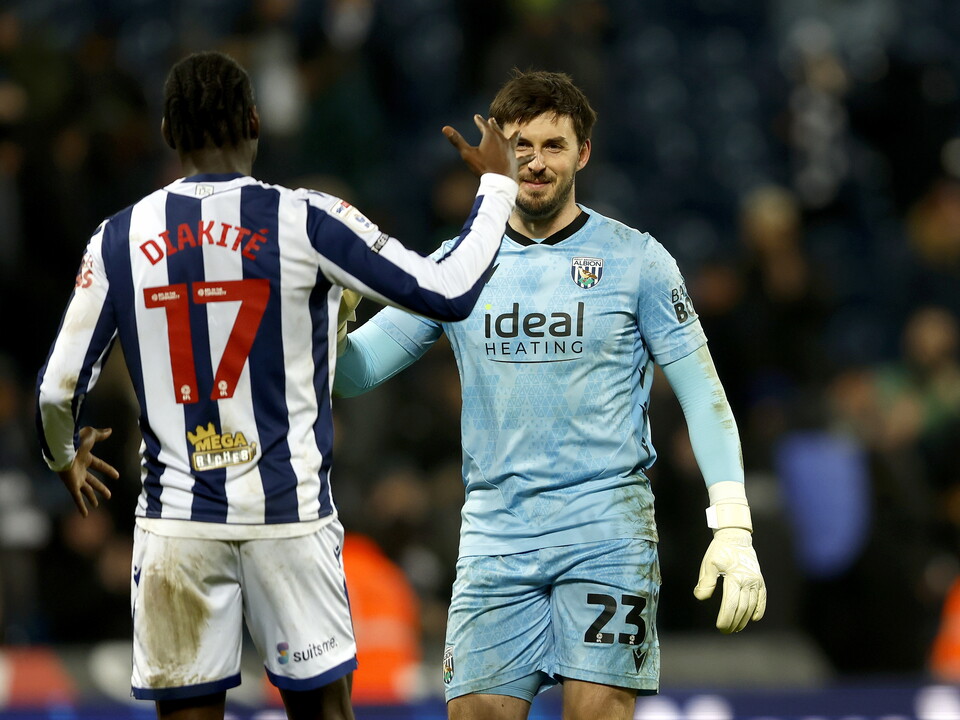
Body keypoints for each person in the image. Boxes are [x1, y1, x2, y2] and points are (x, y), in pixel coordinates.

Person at [35, 50, 528, 720]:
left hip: (177, 526)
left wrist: (65, 455)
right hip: (287, 519)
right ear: (256, 121)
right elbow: (448, 292)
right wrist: (497, 188)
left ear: (165, 131)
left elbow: (56, 393)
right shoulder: (305, 218)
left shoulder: (118, 239)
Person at [334, 69, 767, 720]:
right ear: (498, 157)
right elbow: (353, 374)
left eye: (553, 145)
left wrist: (731, 523)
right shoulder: (458, 265)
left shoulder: (638, 261)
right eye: (520, 147)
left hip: (607, 535)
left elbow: (705, 396)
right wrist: (331, 322)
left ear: (583, 153)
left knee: (598, 712)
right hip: (494, 541)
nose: (534, 163)